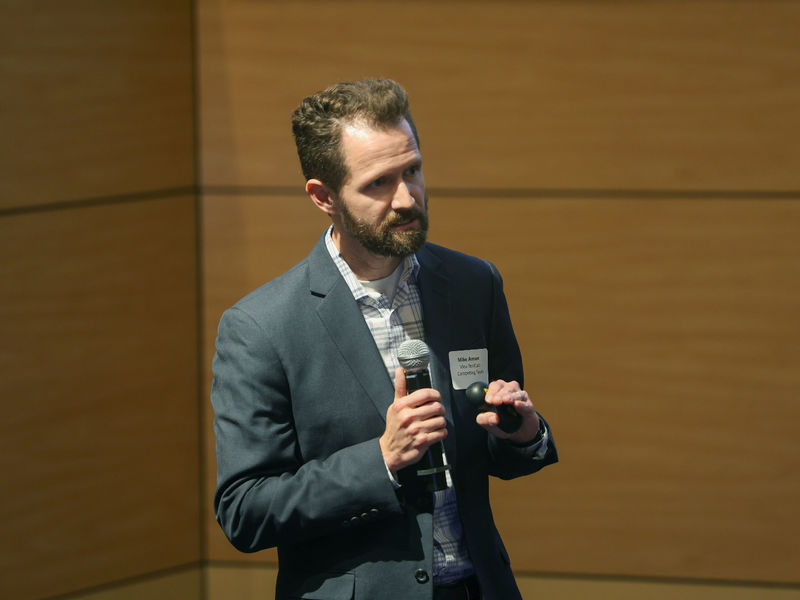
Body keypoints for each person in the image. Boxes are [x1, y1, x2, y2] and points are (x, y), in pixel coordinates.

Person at [211, 78, 558, 600]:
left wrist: (521, 433)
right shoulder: (261, 328)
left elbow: (496, 449)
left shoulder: (473, 285)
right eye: (378, 183)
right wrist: (381, 460)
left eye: (412, 170)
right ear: (323, 196)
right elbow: (246, 511)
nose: (407, 198)